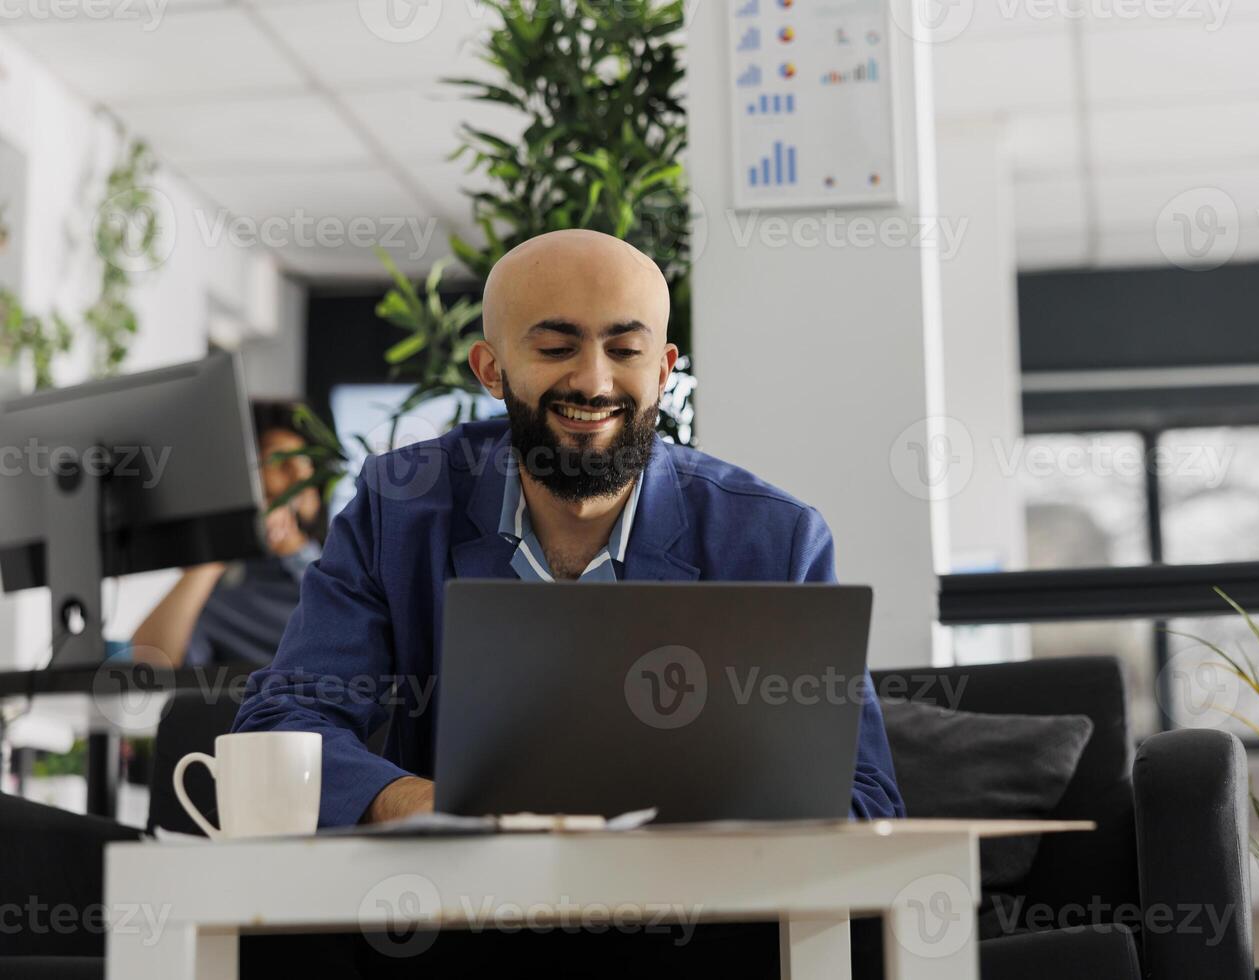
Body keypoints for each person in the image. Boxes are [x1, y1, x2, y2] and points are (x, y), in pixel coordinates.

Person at [231, 229, 903, 975]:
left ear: (665, 367)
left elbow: (865, 795)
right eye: (556, 347)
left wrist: (694, 833)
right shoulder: (399, 508)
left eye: (625, 349)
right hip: (457, 936)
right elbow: (285, 718)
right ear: (491, 367)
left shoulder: (773, 538)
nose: (594, 381)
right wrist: (407, 801)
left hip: (694, 942)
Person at [130, 402, 324, 670]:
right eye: (279, 460)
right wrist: (224, 547)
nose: (301, 475)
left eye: (306, 462)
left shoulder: (345, 569)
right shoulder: (220, 592)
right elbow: (150, 660)